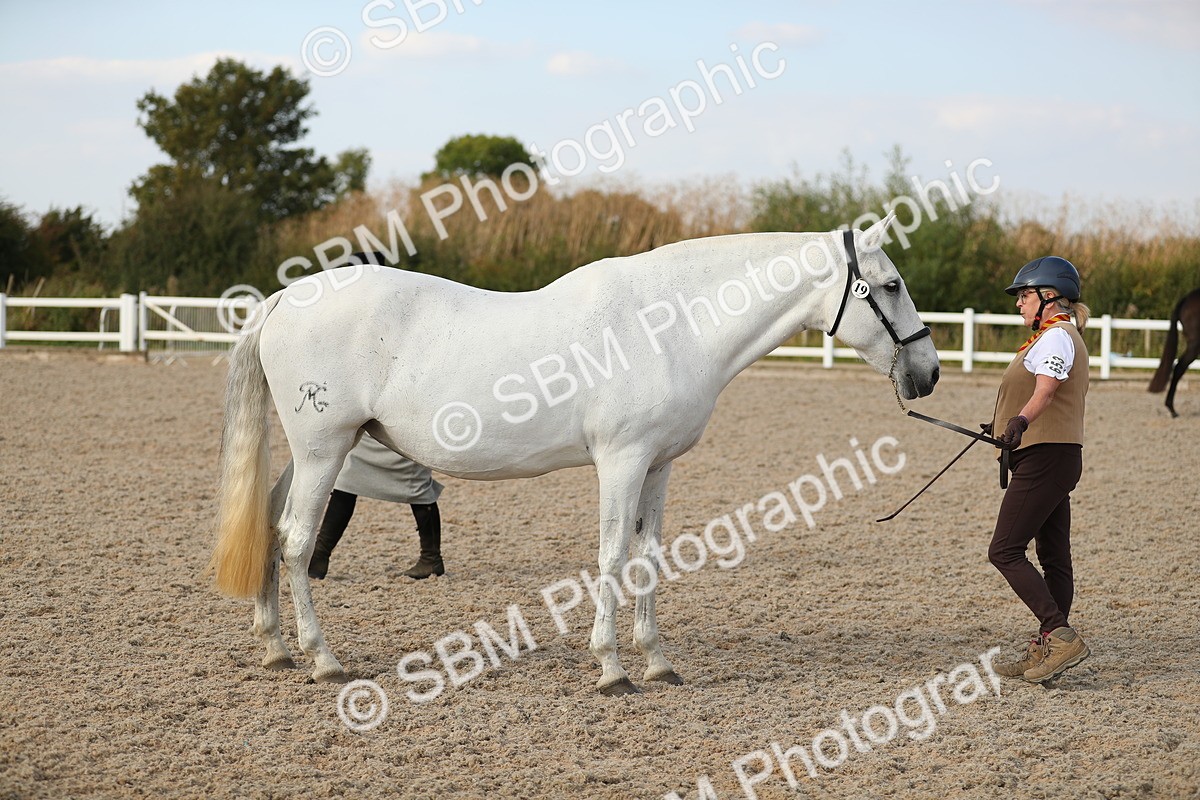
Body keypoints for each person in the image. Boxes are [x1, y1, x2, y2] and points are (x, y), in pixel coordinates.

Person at [987, 256, 1092, 683]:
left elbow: (1046, 391)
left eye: (1024, 296)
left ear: (1048, 297)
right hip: (1052, 455)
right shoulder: (1054, 336)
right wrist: (1003, 422)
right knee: (1053, 556)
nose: (1018, 304)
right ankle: (1049, 645)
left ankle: (1059, 633)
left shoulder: (1055, 337)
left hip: (1046, 455)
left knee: (1005, 550)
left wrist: (1020, 421)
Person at [307, 432, 446, 580]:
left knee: (417, 485)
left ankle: (431, 558)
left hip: (407, 426)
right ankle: (319, 554)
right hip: (374, 424)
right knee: (347, 479)